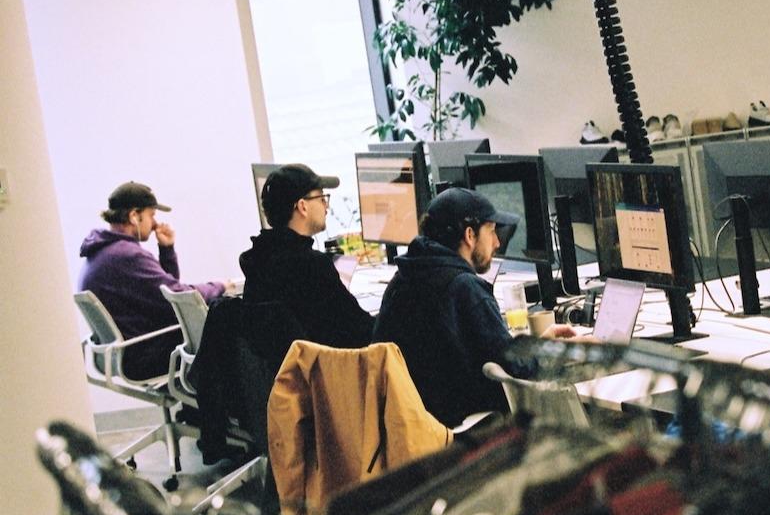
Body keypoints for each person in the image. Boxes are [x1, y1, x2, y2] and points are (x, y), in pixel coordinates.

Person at [373, 187, 576, 427]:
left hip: (412, 426)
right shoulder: (464, 288)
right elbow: (513, 368)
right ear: (470, 236)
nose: (498, 242)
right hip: (460, 427)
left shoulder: (403, 280)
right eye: (491, 231)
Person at [79, 181, 232, 379]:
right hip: (142, 356)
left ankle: (197, 409)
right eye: (151, 215)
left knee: (212, 321)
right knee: (226, 325)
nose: (154, 224)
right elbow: (177, 296)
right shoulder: (127, 256)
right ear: (134, 216)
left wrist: (166, 249)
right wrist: (220, 286)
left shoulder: (101, 253)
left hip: (128, 353)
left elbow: (165, 293)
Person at [239, 163, 374, 349]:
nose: (326, 206)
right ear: (302, 206)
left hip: (285, 374)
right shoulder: (311, 266)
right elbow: (360, 330)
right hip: (323, 374)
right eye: (321, 198)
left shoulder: (257, 260)